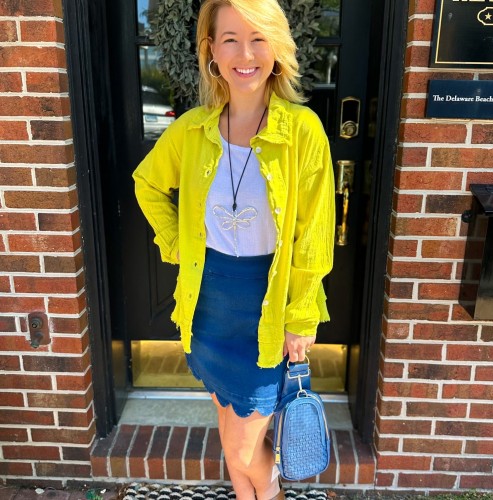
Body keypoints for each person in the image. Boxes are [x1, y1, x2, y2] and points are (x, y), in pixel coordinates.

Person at [133, 0, 335, 498]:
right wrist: (178, 243)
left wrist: (301, 316)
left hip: (267, 309)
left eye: (258, 38)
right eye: (230, 40)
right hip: (209, 305)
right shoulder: (191, 130)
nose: (245, 54)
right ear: (211, 51)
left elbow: (314, 234)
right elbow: (147, 184)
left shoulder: (302, 131)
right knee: (230, 441)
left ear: (276, 48)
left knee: (246, 450)